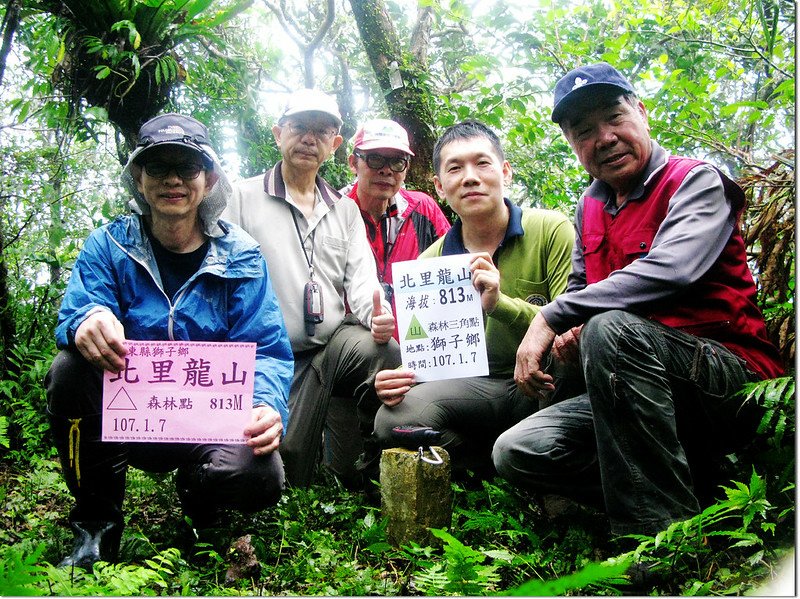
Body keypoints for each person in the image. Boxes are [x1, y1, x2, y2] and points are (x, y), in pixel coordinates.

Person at [496, 63, 784, 536]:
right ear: (572, 144)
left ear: (642, 112)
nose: (604, 138)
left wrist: (557, 315)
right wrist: (568, 329)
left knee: (610, 329)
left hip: (729, 378)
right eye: (584, 131)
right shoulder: (589, 205)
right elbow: (580, 287)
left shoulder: (696, 182)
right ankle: (698, 490)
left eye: (614, 118)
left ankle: (658, 538)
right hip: (635, 392)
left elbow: (674, 268)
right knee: (520, 448)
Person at [45, 113, 294, 569]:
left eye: (187, 166)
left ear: (209, 178)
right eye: (158, 167)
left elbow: (265, 346)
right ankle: (95, 527)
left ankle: (202, 501)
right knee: (68, 368)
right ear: (139, 179)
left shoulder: (241, 254)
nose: (173, 179)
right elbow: (80, 306)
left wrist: (265, 404)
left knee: (260, 474)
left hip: (205, 423)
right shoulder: (108, 245)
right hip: (124, 422)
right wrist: (88, 319)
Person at [372, 120, 574, 473]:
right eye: (455, 168)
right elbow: (431, 351)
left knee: (575, 350)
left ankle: (536, 457)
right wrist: (402, 375)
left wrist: (500, 303)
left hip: (545, 383)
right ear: (439, 186)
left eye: (482, 163)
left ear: (505, 171)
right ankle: (490, 464)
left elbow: (572, 324)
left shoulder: (550, 229)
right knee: (392, 420)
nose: (469, 177)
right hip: (477, 392)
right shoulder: (430, 262)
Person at [223, 89, 400, 489]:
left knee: (383, 351)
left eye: (322, 131)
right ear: (278, 134)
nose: (309, 138)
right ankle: (300, 456)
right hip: (267, 356)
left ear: (335, 146)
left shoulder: (344, 209)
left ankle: (373, 465)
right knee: (281, 472)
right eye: (299, 127)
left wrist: (377, 314)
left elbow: (361, 280)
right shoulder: (241, 198)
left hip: (329, 348)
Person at [340, 118, 451, 335]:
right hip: (354, 346)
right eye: (375, 159)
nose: (387, 171)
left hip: (420, 339)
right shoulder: (334, 212)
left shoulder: (423, 209)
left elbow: (453, 264)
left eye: (397, 162)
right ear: (353, 163)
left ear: (407, 168)